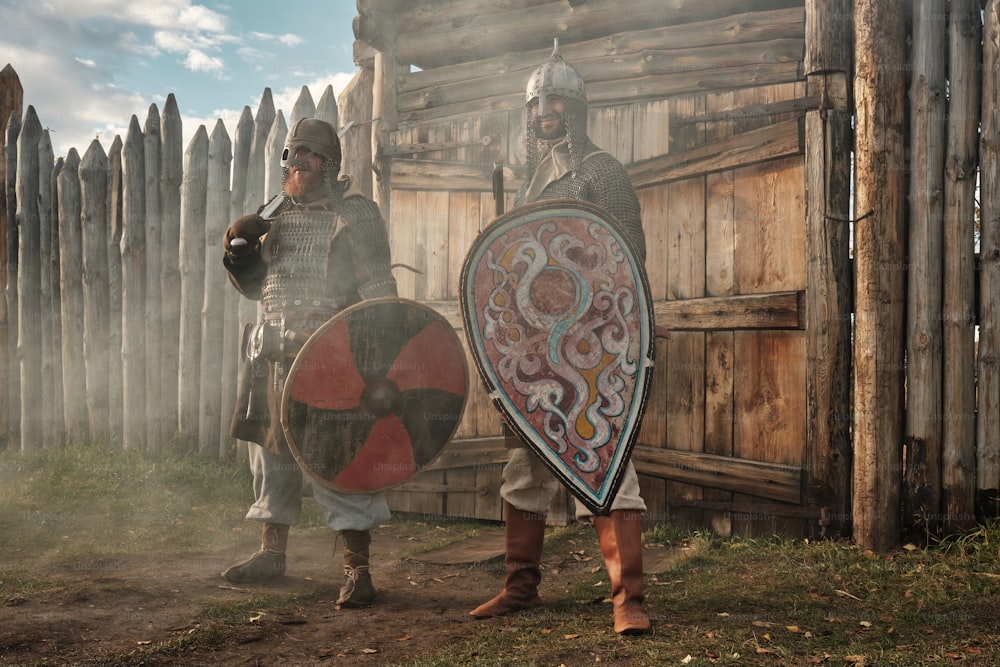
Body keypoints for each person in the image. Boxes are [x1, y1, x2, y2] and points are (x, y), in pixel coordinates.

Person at [469, 40, 652, 635]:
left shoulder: (601, 173)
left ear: (575, 107)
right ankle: (519, 587)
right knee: (525, 466)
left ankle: (628, 599)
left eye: (555, 101)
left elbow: (627, 257)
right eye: (536, 103)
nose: (544, 110)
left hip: (594, 341)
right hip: (534, 348)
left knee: (608, 459)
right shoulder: (530, 185)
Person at [221, 117, 398, 608]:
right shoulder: (272, 214)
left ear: (331, 163)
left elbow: (380, 290)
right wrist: (238, 251)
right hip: (274, 352)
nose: (298, 161)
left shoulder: (356, 214)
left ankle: (357, 570)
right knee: (271, 453)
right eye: (292, 153)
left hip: (332, 355)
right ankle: (271, 553)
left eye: (309, 154)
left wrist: (375, 358)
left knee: (335, 457)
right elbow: (258, 289)